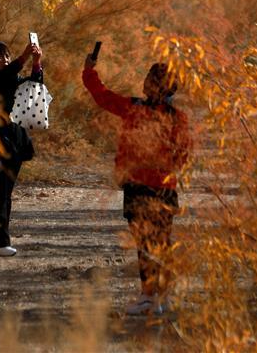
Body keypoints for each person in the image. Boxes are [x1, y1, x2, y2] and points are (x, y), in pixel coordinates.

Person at [82, 55, 191, 315]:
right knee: (154, 242)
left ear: (159, 86)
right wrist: (89, 72)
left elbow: (103, 96)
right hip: (155, 186)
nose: (145, 84)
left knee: (151, 243)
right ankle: (156, 295)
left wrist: (89, 72)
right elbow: (183, 156)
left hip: (148, 186)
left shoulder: (146, 111)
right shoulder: (167, 115)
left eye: (151, 80)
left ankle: (154, 296)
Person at [0, 40, 43, 256]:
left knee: (6, 194)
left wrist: (36, 63)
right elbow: (1, 81)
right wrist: (22, 58)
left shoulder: (12, 76)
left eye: (7, 56)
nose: (4, 60)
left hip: (15, 141)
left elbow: (35, 86)